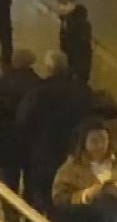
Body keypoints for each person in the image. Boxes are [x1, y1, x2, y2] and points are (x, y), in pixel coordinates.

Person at [14, 49, 95, 210]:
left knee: (38, 198)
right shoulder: (82, 91)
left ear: (49, 69)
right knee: (65, 200)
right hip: (73, 156)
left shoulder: (40, 92)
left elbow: (24, 121)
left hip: (44, 156)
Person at [0, 48, 43, 192]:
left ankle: (10, 212)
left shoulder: (4, 80)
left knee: (8, 181)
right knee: (30, 181)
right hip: (31, 140)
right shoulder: (38, 82)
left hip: (7, 137)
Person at [56, 0, 94, 83]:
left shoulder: (80, 23)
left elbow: (81, 49)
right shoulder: (66, 20)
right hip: (70, 67)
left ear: (73, 4)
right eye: (60, 4)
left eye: (65, 4)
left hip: (76, 69)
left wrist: (75, 71)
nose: (61, 7)